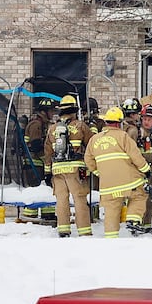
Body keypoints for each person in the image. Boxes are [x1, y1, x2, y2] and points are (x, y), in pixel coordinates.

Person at [84, 106, 152, 238]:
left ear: (106, 122)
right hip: (128, 181)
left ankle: (111, 237)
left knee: (111, 209)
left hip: (107, 184)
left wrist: (99, 173)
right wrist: (146, 170)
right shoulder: (123, 136)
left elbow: (88, 160)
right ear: (119, 122)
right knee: (140, 194)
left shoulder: (94, 139)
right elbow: (136, 156)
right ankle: (133, 219)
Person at [43, 95, 92, 237]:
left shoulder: (52, 129)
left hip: (57, 170)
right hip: (75, 169)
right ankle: (84, 231)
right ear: (75, 110)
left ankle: (63, 230)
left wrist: (47, 172)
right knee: (79, 199)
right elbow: (91, 145)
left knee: (61, 200)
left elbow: (47, 152)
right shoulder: (80, 126)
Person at [124, 103, 152, 233]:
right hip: (138, 173)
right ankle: (135, 224)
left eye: (150, 119)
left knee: (151, 200)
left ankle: (147, 226)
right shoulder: (135, 132)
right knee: (139, 199)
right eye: (145, 118)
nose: (147, 122)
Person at [24, 99, 53, 185]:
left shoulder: (42, 124)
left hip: (37, 165)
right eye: (51, 111)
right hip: (33, 166)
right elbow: (36, 146)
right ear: (44, 112)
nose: (53, 113)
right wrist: (47, 160)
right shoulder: (36, 125)